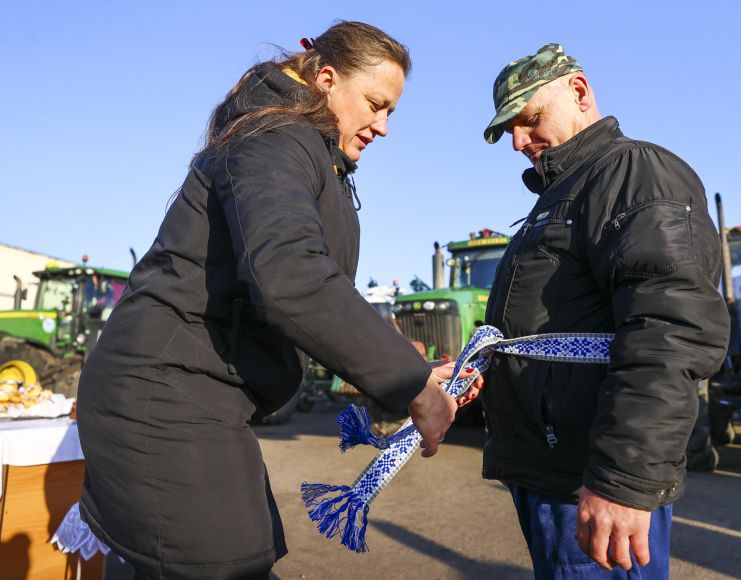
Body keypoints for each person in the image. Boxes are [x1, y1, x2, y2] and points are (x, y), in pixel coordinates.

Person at [77, 21, 470, 579]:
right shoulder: (274, 138)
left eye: (393, 112)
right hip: (163, 395)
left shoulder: (306, 147)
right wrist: (412, 388)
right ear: (327, 79)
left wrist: (404, 360)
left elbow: (310, 294)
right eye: (376, 104)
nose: (383, 127)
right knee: (228, 565)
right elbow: (289, 276)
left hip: (200, 397)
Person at [480, 44, 730, 579]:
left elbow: (669, 329)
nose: (520, 141)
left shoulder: (634, 173)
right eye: (510, 130)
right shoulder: (563, 194)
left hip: (591, 479)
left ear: (579, 91)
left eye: (530, 119)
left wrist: (623, 480)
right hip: (552, 472)